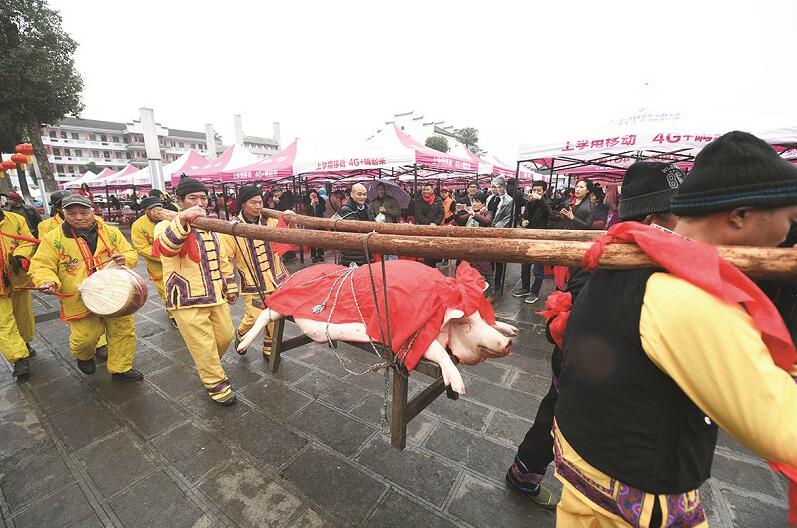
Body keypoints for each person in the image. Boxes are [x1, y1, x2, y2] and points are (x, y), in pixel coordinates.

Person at [553, 132, 797, 527]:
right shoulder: (687, 298)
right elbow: (786, 429)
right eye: (789, 220)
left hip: (588, 482)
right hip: (627, 509)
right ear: (740, 216)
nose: (788, 236)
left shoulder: (629, 255)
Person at [506, 161, 683, 513]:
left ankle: (526, 475)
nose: (684, 224)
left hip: (607, 376)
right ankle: (527, 476)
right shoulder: (607, 256)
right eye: (676, 214)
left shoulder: (652, 256)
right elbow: (566, 322)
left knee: (555, 419)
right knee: (555, 421)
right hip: (587, 369)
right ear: (651, 221)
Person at [30, 194, 142, 381]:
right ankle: (83, 355)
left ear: (93, 211)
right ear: (63, 213)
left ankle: (121, 368)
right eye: (72, 213)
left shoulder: (110, 232)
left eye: (84, 212)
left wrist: (126, 259)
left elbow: (129, 252)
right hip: (78, 297)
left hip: (114, 292)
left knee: (123, 331)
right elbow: (41, 265)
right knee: (86, 337)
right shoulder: (52, 238)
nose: (79, 217)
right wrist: (46, 280)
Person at [155, 178, 240, 405]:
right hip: (186, 298)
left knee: (225, 336)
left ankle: (207, 365)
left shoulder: (211, 226)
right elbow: (167, 247)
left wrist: (230, 286)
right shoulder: (165, 225)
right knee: (202, 345)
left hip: (215, 294)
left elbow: (223, 259)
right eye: (193, 198)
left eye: (203, 198)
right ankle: (216, 385)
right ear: (179, 200)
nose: (199, 202)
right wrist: (182, 219)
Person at [222, 185, 289, 359]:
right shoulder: (232, 229)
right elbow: (226, 259)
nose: (258, 206)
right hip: (253, 283)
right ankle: (241, 334)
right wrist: (230, 285)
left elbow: (287, 234)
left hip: (277, 279)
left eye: (260, 202)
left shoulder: (270, 222)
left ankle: (269, 349)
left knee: (274, 317)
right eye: (254, 202)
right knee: (253, 318)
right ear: (243, 204)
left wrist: (288, 218)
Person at [0, 208, 38, 378]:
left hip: (16, 277)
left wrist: (20, 256)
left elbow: (27, 241)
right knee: (3, 321)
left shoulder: (16, 219)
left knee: (23, 314)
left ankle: (25, 342)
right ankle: (18, 359)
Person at [131, 196, 175, 326]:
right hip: (157, 266)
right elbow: (141, 247)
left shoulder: (169, 219)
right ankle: (172, 313)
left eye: (159, 208)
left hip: (175, 263)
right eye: (153, 209)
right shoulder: (138, 225)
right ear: (146, 211)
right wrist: (163, 255)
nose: (157, 211)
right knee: (165, 291)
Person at [513, 181, 551, 303]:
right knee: (525, 265)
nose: (535, 193)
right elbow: (524, 216)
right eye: (534, 190)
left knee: (538, 268)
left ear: (544, 191)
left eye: (539, 191)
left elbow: (549, 214)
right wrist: (523, 222)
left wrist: (540, 199)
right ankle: (525, 288)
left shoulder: (547, 202)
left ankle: (534, 292)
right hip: (528, 237)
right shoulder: (530, 202)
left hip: (541, 239)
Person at [338, 183, 375, 267]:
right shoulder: (346, 209)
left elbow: (374, 223)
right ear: (351, 194)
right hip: (352, 253)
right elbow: (355, 228)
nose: (363, 197)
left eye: (365, 194)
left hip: (365, 249)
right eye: (359, 194)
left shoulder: (367, 208)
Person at [488, 176, 514, 290]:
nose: (494, 189)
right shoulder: (490, 199)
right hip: (488, 231)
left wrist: (496, 228)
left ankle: (497, 281)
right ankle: (489, 278)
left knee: (499, 259)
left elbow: (508, 218)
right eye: (492, 187)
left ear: (503, 187)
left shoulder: (509, 200)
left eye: (496, 187)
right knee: (489, 258)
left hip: (500, 233)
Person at [415, 183, 445, 267]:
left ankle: (434, 266)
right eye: (424, 189)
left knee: (435, 248)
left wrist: (436, 223)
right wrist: (429, 223)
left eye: (428, 189)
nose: (426, 191)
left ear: (432, 190)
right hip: (424, 229)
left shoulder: (438, 200)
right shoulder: (419, 200)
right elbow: (418, 215)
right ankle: (428, 267)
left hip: (435, 228)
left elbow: (441, 213)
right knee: (426, 249)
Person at [305, 189, 327, 262]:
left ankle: (320, 254)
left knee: (320, 239)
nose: (314, 196)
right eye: (312, 195)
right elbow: (306, 211)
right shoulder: (306, 201)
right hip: (310, 223)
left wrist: (318, 204)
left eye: (315, 195)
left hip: (319, 222)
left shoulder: (321, 200)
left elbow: (323, 210)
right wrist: (311, 204)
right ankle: (313, 255)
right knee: (312, 240)